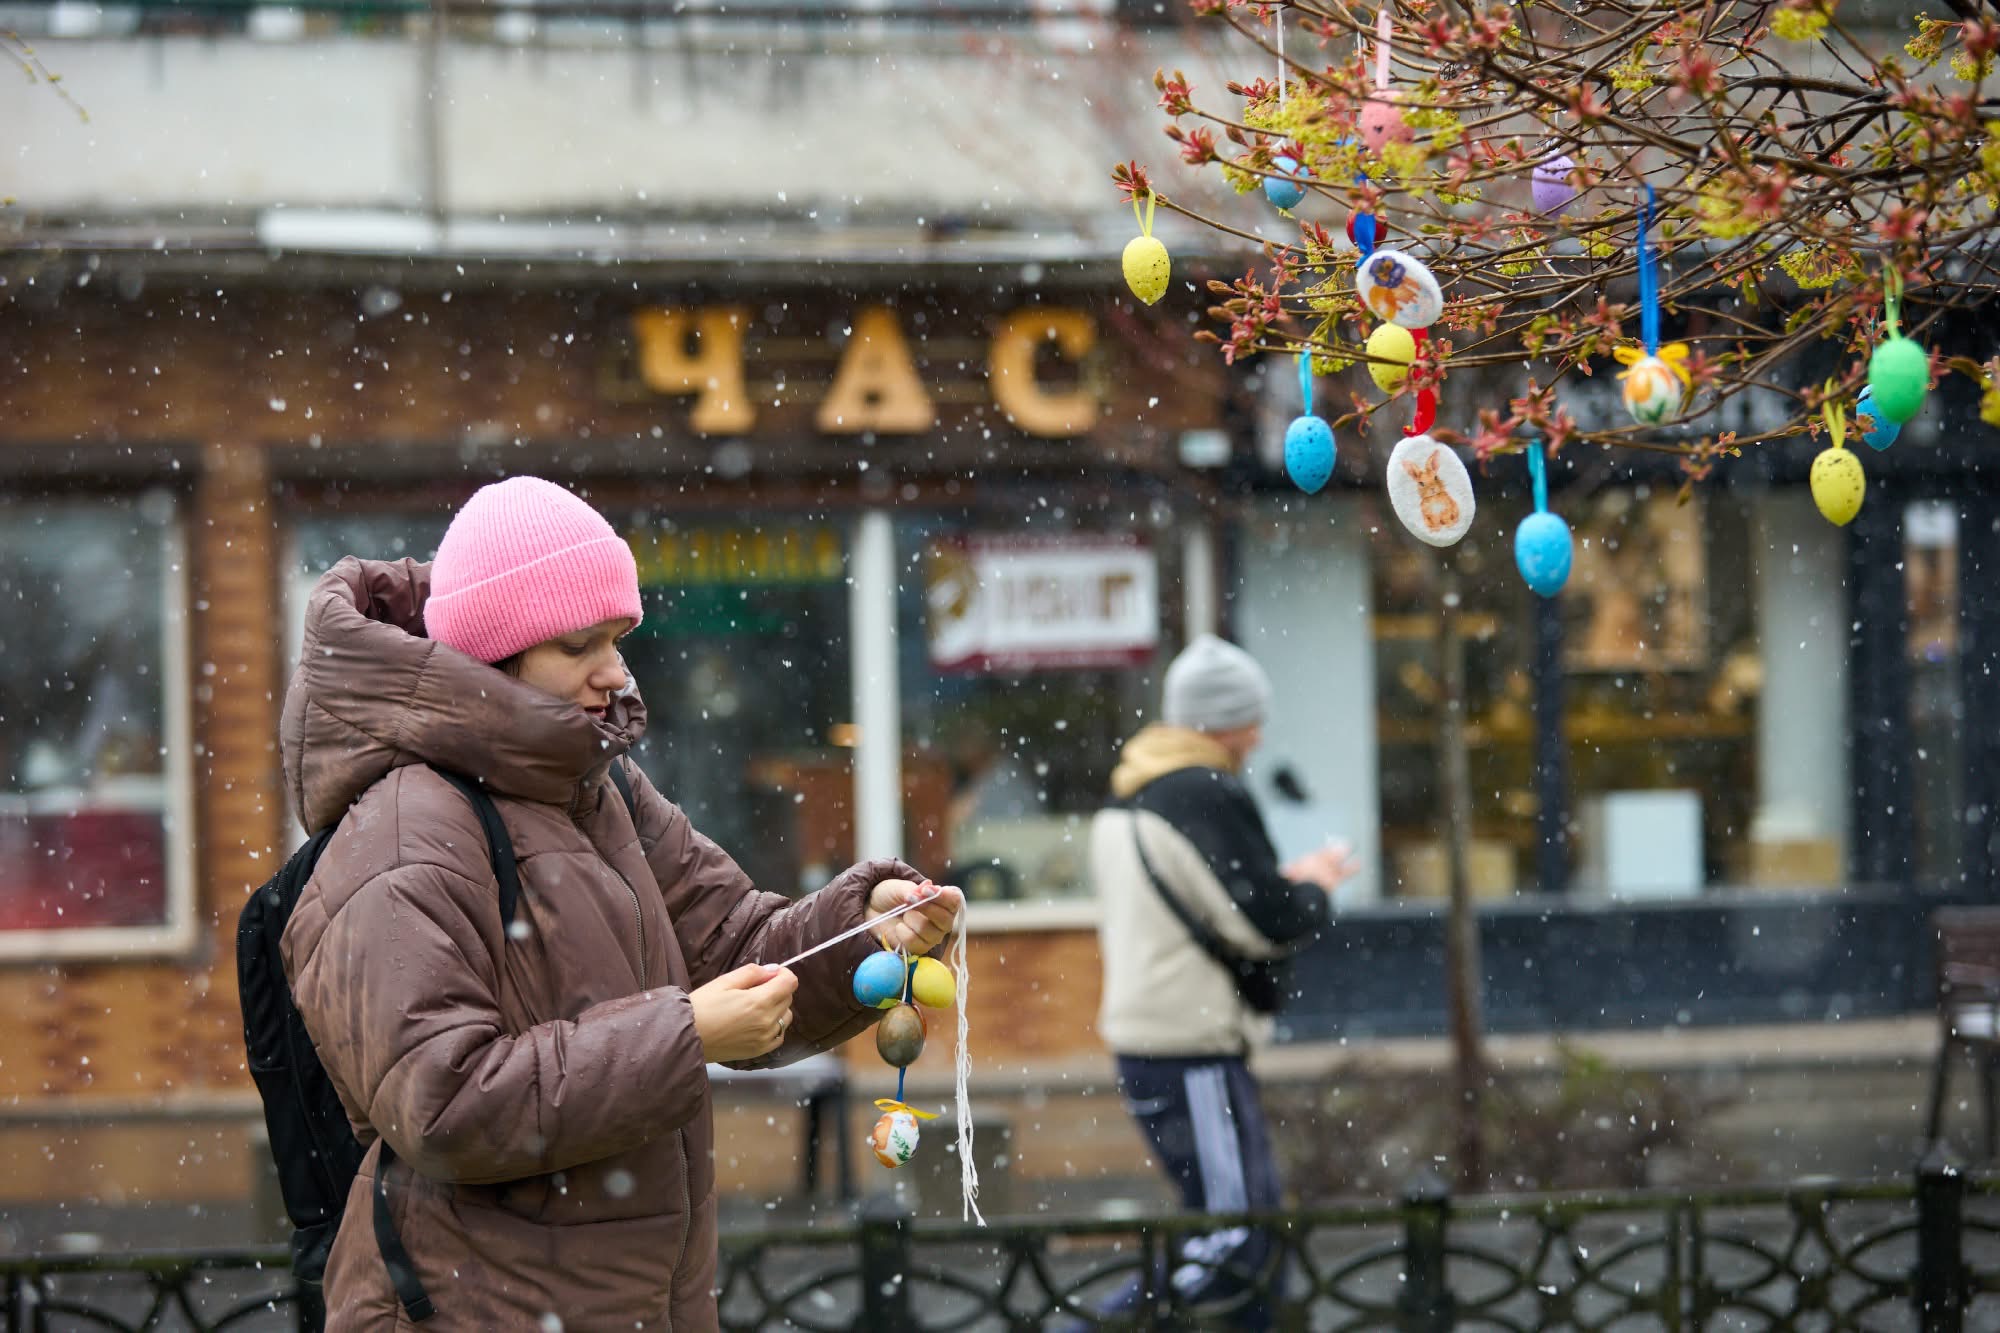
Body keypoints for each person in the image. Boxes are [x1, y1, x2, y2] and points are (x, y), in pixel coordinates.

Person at [278, 476, 962, 1331]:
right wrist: (686, 1035)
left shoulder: (598, 789)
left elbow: (738, 941)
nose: (615, 670)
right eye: (579, 644)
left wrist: (869, 931)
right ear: (497, 651)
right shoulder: (408, 829)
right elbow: (443, 1101)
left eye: (616, 637)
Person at [1083, 634, 1356, 1329]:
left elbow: (1213, 901)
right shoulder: (1202, 790)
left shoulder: (1135, 791)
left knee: (1235, 1226)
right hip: (1190, 1047)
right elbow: (1264, 922)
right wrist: (1316, 886)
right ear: (1218, 722)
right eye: (1250, 718)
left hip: (1158, 1041)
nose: (1259, 736)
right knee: (1240, 1235)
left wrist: (1279, 885)